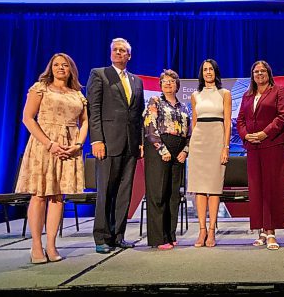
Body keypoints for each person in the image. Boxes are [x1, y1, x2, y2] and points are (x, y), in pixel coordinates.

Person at [16, 53, 88, 263]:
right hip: (44, 144)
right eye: (56, 65)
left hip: (69, 146)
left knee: (57, 197)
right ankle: (36, 246)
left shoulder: (77, 94)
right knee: (39, 195)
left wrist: (77, 144)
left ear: (70, 69)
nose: (60, 68)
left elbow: (84, 122)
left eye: (65, 65)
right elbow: (27, 118)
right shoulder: (40, 88)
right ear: (51, 68)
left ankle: (51, 244)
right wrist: (50, 143)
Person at [86, 38, 145, 254]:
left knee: (124, 192)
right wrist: (96, 140)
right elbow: (93, 109)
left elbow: (137, 115)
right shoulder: (99, 74)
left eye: (123, 51)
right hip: (108, 142)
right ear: (111, 53)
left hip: (130, 144)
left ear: (129, 56)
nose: (119, 53)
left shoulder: (136, 81)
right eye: (115, 50)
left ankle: (118, 235)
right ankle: (102, 237)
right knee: (105, 192)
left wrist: (139, 142)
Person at [237, 61, 284, 250]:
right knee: (257, 189)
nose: (259, 74)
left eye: (262, 71)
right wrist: (246, 135)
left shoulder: (279, 91)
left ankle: (272, 232)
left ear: (269, 73)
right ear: (252, 75)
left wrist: (264, 133)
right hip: (253, 147)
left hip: (272, 144)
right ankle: (260, 231)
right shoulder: (247, 95)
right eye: (256, 72)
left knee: (272, 188)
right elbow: (240, 120)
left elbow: (283, 116)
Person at [143, 69, 191, 250]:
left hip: (179, 152)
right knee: (158, 193)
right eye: (165, 81)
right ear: (160, 85)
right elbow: (150, 127)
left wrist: (185, 150)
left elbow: (190, 133)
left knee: (173, 194)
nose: (168, 84)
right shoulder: (155, 101)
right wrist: (161, 149)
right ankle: (159, 238)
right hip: (159, 150)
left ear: (177, 85)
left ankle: (171, 234)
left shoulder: (184, 107)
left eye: (172, 81)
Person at [187, 59, 231, 248]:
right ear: (201, 73)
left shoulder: (225, 93)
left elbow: (228, 122)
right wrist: (191, 146)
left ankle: (212, 230)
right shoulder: (195, 95)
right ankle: (201, 230)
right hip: (199, 142)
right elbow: (194, 123)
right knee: (199, 187)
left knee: (213, 187)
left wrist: (225, 147)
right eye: (204, 69)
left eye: (211, 69)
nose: (208, 72)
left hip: (216, 139)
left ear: (216, 72)